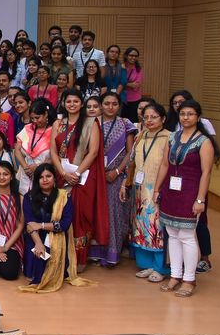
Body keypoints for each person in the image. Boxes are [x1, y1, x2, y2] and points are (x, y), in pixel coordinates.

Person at [153, 100, 218, 298]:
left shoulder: (204, 141)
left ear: (198, 117)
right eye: (182, 114)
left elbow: (206, 173)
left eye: (190, 114)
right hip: (170, 192)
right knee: (172, 234)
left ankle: (189, 279)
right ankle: (175, 275)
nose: (186, 117)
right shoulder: (173, 137)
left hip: (190, 192)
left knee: (187, 236)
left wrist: (200, 200)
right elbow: (165, 165)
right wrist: (157, 189)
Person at [50, 88, 108, 270]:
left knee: (80, 216)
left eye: (76, 101)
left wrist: (76, 174)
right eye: (68, 101)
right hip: (61, 177)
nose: (72, 104)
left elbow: (93, 152)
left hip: (83, 178)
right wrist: (62, 173)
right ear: (63, 103)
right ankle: (62, 257)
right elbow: (53, 151)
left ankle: (80, 258)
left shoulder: (91, 123)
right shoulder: (58, 124)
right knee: (61, 214)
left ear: (81, 104)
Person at [19, 163, 93, 293]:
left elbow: (64, 224)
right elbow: (30, 224)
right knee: (32, 273)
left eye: (48, 176)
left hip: (57, 236)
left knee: (50, 270)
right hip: (35, 236)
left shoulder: (64, 196)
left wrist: (41, 225)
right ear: (37, 180)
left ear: (54, 178)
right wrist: (38, 243)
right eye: (41, 177)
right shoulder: (28, 197)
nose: (45, 180)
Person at [122, 101, 169, 283]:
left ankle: (160, 267)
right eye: (146, 117)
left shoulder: (169, 138)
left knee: (156, 226)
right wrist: (125, 183)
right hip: (139, 188)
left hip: (157, 188)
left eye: (154, 117)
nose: (149, 120)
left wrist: (160, 188)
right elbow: (132, 162)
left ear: (163, 119)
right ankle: (147, 264)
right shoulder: (140, 136)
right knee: (140, 225)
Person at [93, 92, 136, 267]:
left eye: (114, 104)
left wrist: (117, 171)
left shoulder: (125, 124)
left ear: (119, 106)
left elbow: (130, 152)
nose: (110, 107)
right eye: (107, 103)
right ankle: (95, 252)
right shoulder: (93, 123)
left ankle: (111, 254)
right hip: (96, 176)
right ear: (101, 105)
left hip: (115, 176)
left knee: (114, 214)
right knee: (96, 213)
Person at [13, 98, 53, 194]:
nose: (34, 121)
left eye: (37, 117)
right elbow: (17, 150)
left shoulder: (53, 130)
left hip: (44, 173)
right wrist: (25, 167)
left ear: (46, 114)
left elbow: (55, 155)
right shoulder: (27, 128)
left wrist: (38, 167)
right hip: (26, 172)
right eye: (32, 118)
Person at [122, 47, 144, 122]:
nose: (133, 57)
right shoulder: (121, 67)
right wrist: (129, 84)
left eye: (135, 56)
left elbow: (136, 85)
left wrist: (124, 84)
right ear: (126, 56)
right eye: (131, 55)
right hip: (122, 99)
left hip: (135, 99)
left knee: (133, 121)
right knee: (122, 120)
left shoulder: (138, 69)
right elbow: (117, 83)